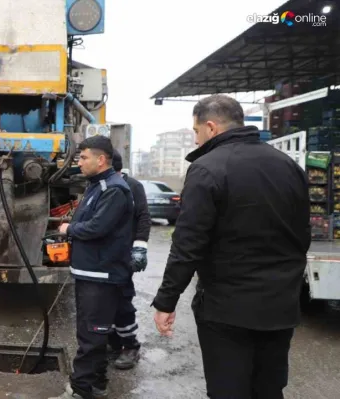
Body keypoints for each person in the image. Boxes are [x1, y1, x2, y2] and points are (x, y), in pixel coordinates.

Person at [152, 95, 310, 398]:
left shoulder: (207, 168)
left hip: (226, 309)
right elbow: (302, 235)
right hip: (280, 305)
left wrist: (165, 301)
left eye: (196, 132)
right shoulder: (288, 166)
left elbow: (188, 244)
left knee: (229, 390)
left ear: (210, 127)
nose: (196, 140)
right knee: (269, 389)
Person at [50, 135, 134, 399]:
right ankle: (97, 384)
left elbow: (98, 227)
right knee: (94, 333)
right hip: (92, 273)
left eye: (84, 157)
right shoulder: (98, 186)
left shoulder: (114, 189)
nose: (79, 162)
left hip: (102, 275)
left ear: (101, 160)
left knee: (91, 336)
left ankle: (81, 390)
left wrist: (69, 228)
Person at [107, 149, 151, 370]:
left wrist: (140, 247)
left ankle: (130, 346)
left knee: (121, 301)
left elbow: (143, 216)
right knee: (104, 301)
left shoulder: (132, 186)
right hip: (103, 256)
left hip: (123, 256)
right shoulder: (100, 185)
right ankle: (114, 343)